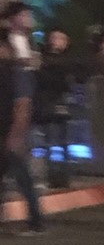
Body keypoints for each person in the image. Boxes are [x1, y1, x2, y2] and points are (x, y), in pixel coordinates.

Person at [0, 27, 45, 233]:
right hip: (7, 129)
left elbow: (23, 104)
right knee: (18, 176)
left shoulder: (15, 73)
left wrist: (16, 135)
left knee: (23, 176)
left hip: (11, 131)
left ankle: (36, 221)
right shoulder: (10, 71)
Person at [33, 28, 74, 188]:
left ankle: (58, 175)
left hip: (53, 102)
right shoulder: (50, 61)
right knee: (54, 141)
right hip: (51, 103)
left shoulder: (46, 61)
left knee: (56, 141)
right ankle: (56, 176)